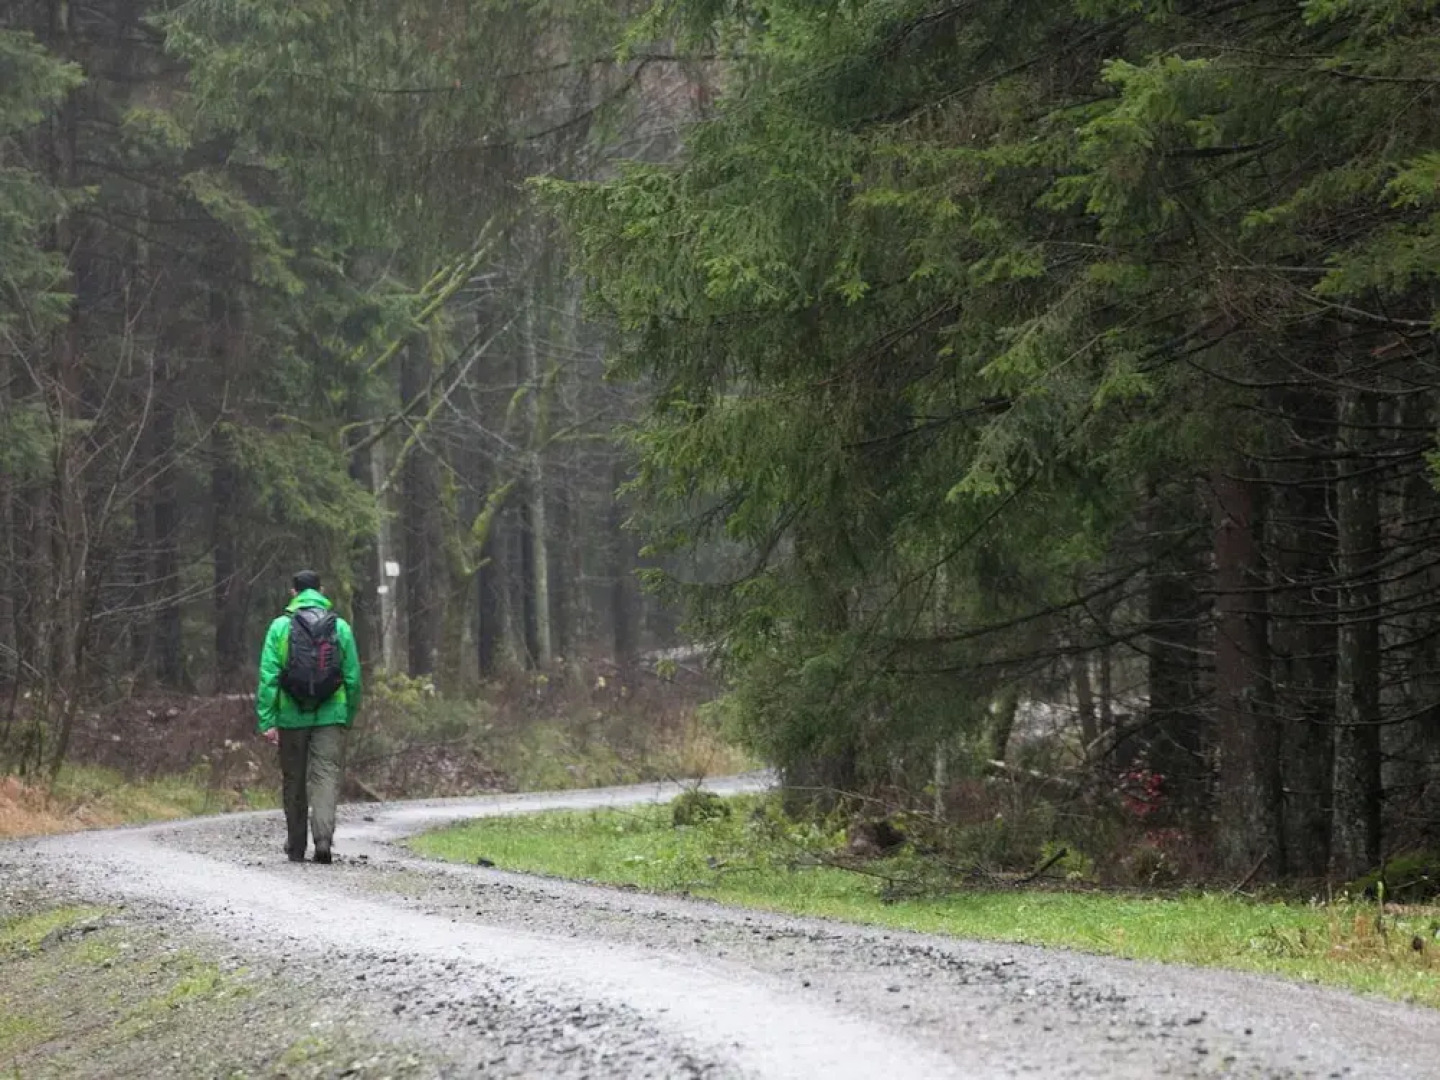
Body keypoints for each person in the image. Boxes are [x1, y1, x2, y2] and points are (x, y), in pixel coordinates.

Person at [255, 570, 362, 863]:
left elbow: (268, 676)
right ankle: (324, 840)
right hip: (331, 714)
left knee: (294, 779)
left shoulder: (279, 627)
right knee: (326, 776)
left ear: (293, 592)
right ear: (321, 590)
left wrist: (267, 720)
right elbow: (352, 677)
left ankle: (296, 845)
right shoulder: (340, 627)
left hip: (291, 715)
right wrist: (347, 714)